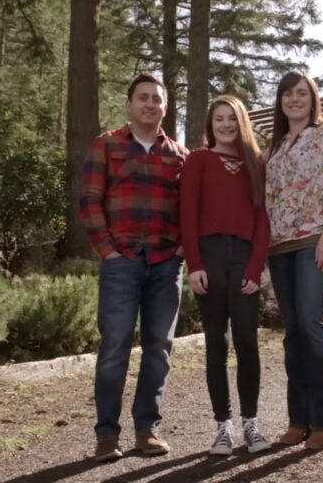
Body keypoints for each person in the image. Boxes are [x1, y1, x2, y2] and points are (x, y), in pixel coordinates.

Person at [80, 72, 188, 463]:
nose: (150, 104)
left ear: (165, 107)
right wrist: (107, 250)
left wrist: (179, 248)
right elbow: (89, 200)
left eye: (156, 99)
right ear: (130, 104)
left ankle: (147, 431)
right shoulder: (106, 146)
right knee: (114, 348)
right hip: (121, 262)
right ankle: (107, 436)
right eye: (142, 98)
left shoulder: (180, 155)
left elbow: (189, 210)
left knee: (159, 348)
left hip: (165, 264)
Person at [180, 95, 272, 456]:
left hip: (244, 258)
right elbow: (188, 214)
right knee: (216, 342)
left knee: (247, 340)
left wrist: (256, 266)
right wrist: (195, 265)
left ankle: (251, 423)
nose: (225, 125)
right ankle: (223, 427)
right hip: (210, 257)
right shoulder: (198, 160)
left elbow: (264, 218)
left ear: (242, 122)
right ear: (210, 124)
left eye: (231, 119)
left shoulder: (256, 163)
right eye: (218, 119)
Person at [264, 70, 323, 450]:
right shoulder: (277, 145)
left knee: (312, 325)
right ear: (280, 101)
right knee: (294, 333)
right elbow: (269, 200)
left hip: (316, 240)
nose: (295, 99)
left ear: (312, 98)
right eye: (288, 94)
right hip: (279, 248)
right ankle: (299, 419)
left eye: (302, 93)